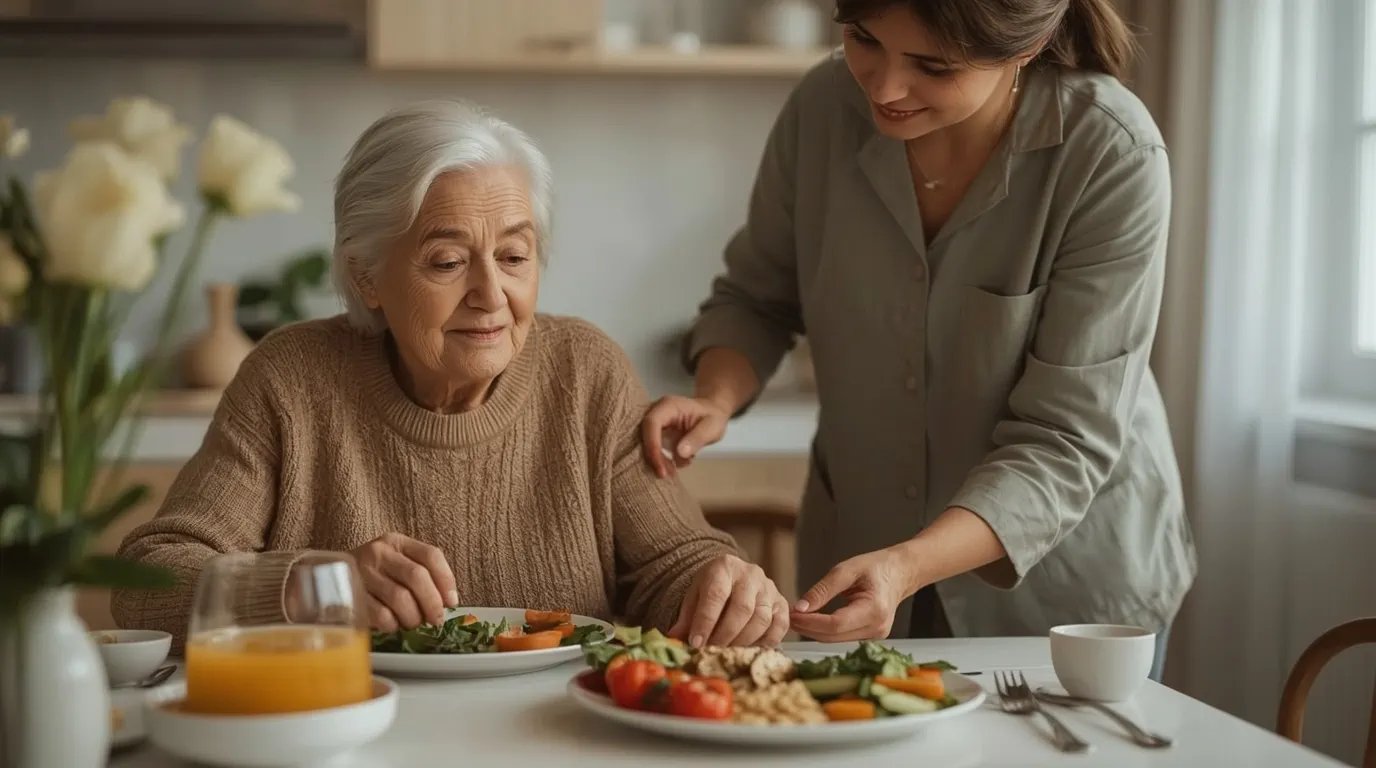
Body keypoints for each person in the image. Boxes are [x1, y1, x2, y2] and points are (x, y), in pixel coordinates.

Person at [640, 0, 1196, 680]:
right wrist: (716, 397)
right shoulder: (821, 107)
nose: (884, 86)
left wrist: (907, 565)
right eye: (863, 39)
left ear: (1027, 46)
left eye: (933, 66)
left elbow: (1063, 439)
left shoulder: (1111, 151)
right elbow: (757, 297)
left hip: (1062, 599)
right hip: (861, 554)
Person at [114, 100, 790, 650]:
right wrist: (314, 587)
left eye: (515, 257)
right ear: (367, 276)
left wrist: (721, 586)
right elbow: (147, 582)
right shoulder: (290, 380)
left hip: (558, 735)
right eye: (447, 262)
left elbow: (673, 564)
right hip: (349, 729)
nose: (491, 294)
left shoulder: (586, 372)